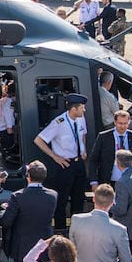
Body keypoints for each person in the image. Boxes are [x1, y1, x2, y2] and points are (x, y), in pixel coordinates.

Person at [34, 93, 89, 233]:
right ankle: (60, 231)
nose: (84, 110)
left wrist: (83, 150)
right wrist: (55, 157)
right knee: (61, 201)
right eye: (82, 108)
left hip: (78, 163)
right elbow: (39, 140)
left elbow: (82, 135)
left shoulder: (81, 119)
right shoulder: (59, 123)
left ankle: (78, 231)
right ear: (73, 109)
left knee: (79, 199)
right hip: (64, 165)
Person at [88, 110, 132, 188]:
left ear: (129, 122)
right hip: (109, 181)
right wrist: (94, 181)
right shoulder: (103, 137)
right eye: (120, 123)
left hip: (129, 181)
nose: (122, 126)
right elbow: (93, 160)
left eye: (125, 123)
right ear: (115, 122)